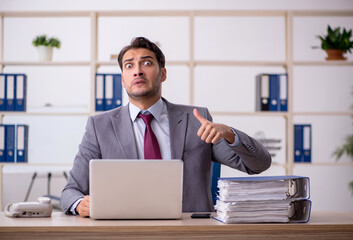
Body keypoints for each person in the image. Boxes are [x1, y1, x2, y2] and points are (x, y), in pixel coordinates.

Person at [60, 37, 271, 217]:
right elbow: (70, 191)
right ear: (123, 80)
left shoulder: (197, 119)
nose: (138, 71)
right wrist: (79, 204)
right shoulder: (99, 126)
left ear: (163, 74)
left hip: (189, 232)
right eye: (129, 66)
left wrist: (229, 133)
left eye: (147, 63)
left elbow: (258, 164)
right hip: (125, 231)